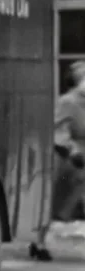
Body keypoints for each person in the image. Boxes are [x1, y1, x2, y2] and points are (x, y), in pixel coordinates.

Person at [34, 60, 85, 260]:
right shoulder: (67, 102)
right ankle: (38, 242)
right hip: (70, 161)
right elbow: (58, 129)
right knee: (53, 205)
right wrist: (72, 150)